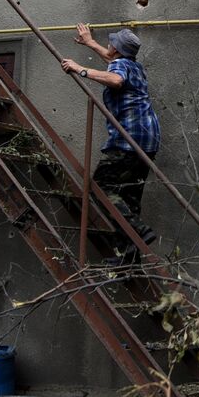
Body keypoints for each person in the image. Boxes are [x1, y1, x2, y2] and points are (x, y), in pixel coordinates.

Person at [60, 25, 160, 260]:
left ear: (115, 48)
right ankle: (130, 257)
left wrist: (79, 69)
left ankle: (138, 231)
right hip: (148, 138)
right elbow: (112, 61)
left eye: (110, 43)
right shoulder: (134, 65)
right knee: (129, 197)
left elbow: (115, 79)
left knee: (101, 188)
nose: (108, 46)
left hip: (129, 139)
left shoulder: (119, 66)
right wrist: (89, 42)